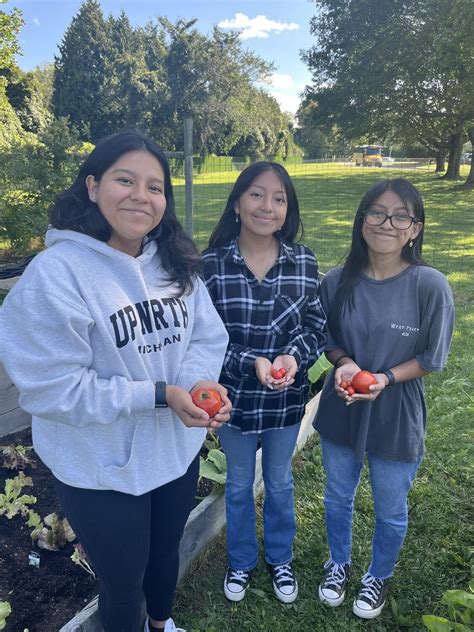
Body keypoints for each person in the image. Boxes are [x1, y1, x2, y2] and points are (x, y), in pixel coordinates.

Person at [0, 129, 232, 632]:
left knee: (164, 555)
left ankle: (162, 624)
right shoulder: (56, 274)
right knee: (123, 583)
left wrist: (192, 385)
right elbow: (51, 386)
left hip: (173, 450)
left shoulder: (173, 262)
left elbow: (205, 337)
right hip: (100, 468)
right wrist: (155, 395)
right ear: (92, 186)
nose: (141, 196)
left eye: (155, 186)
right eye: (124, 180)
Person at [313, 178, 454, 619]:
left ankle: (379, 572)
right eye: (376, 212)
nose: (386, 223)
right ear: (362, 221)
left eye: (400, 216)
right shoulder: (336, 281)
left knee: (391, 507)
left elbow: (432, 358)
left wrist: (385, 377)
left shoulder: (429, 285)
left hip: (396, 413)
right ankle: (338, 562)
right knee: (338, 496)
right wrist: (345, 364)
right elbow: (327, 336)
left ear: (415, 229)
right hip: (342, 404)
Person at [202, 161, 327, 604]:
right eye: (256, 194)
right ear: (237, 202)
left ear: (287, 209)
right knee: (237, 485)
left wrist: (293, 357)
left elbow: (316, 327)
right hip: (234, 403)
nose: (266, 206)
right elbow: (205, 339)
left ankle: (280, 559)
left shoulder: (304, 262)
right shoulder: (211, 267)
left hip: (284, 403)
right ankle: (240, 561)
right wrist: (250, 360)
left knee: (279, 483)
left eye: (278, 198)